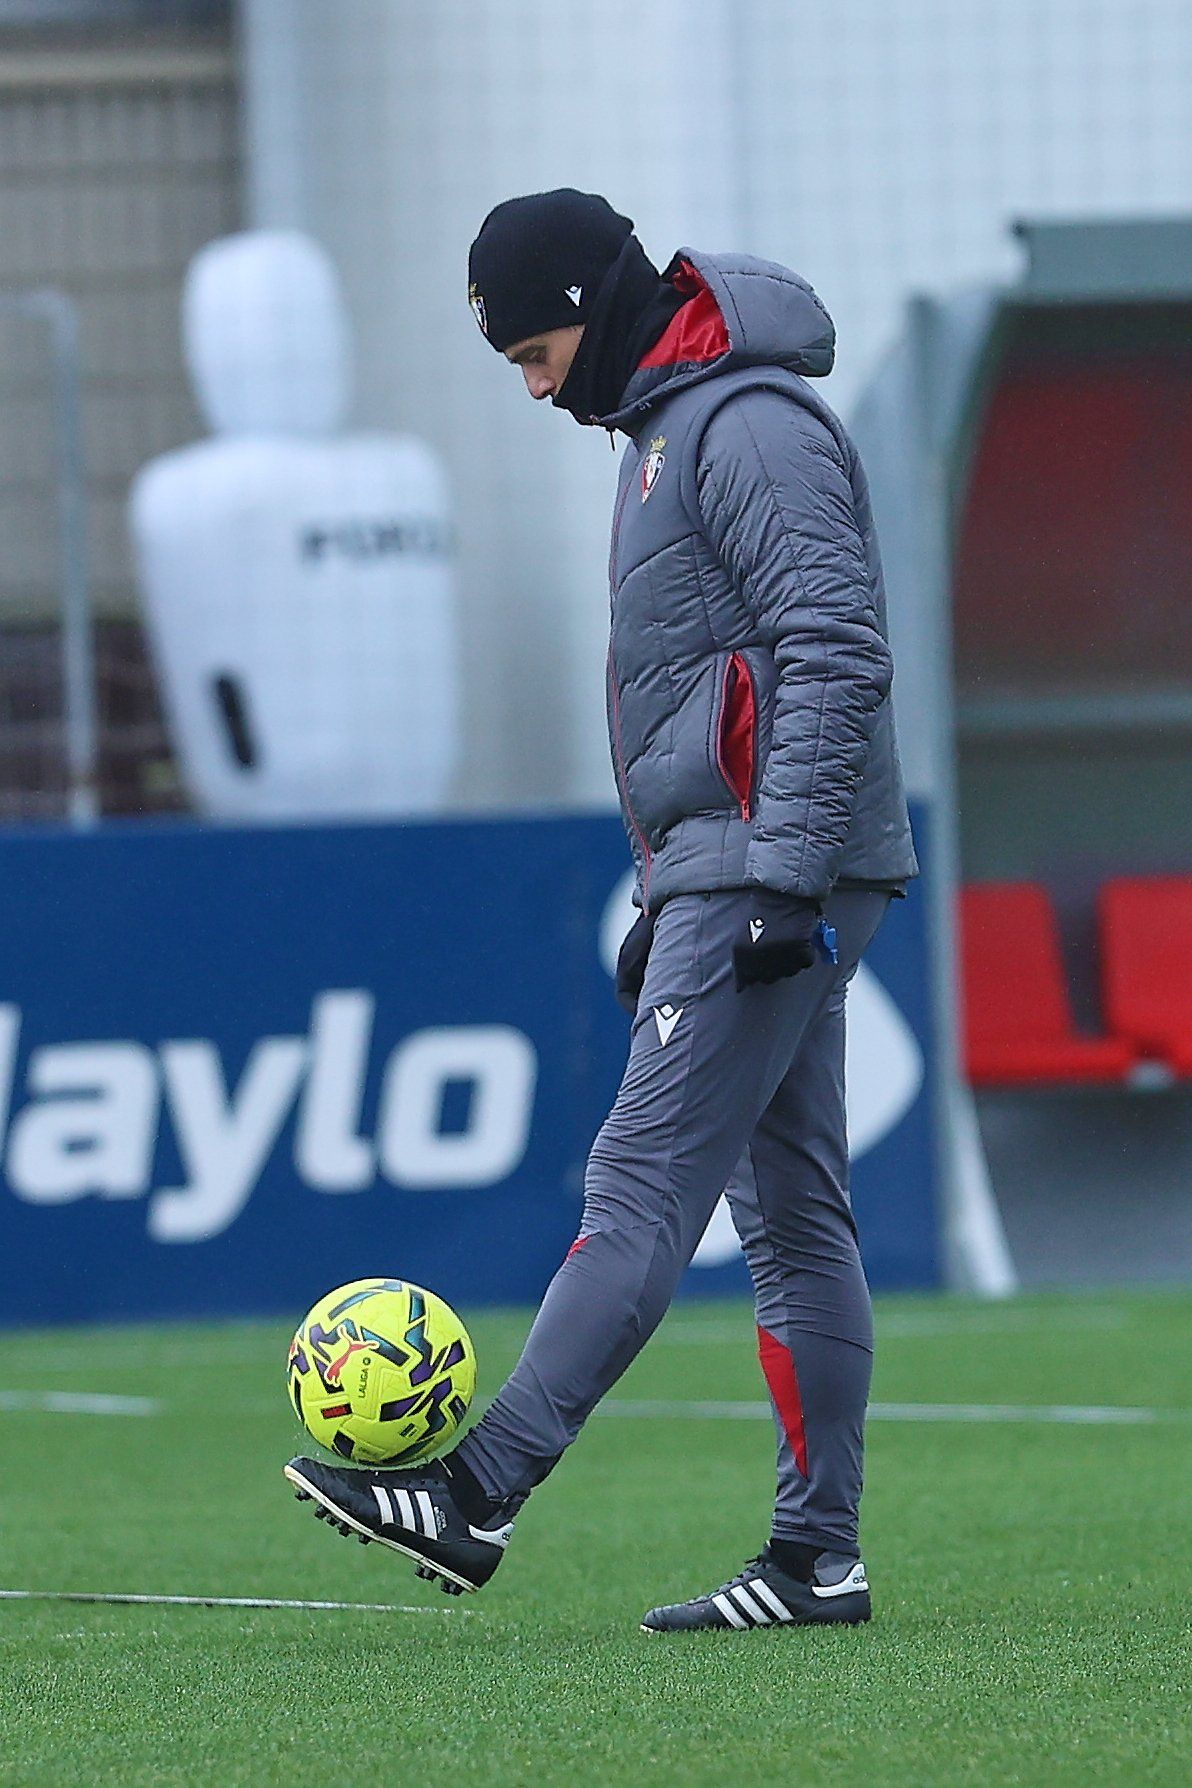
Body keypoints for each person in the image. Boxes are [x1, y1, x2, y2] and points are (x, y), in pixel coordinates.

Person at [285, 189, 917, 1633]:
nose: (531, 384)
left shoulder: (744, 424)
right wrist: (680, 884)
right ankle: (819, 1561)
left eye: (531, 348)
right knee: (794, 1217)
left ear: (590, 300)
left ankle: (477, 1490)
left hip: (775, 858)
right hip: (746, 857)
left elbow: (830, 644)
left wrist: (779, 878)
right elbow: (720, 685)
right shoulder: (666, 431)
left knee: (639, 1186)